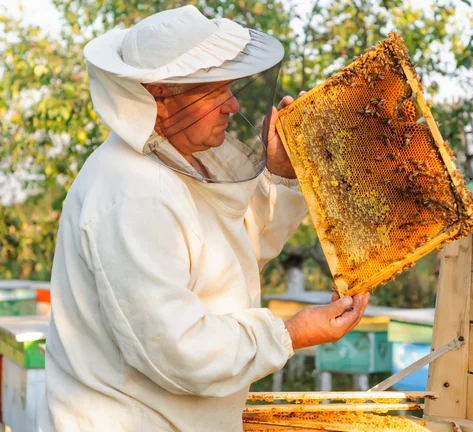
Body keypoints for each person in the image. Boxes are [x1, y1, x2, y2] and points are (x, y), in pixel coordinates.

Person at [45, 6, 369, 432]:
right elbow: (178, 350)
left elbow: (231, 252)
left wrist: (281, 174)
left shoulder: (189, 159)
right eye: (216, 93)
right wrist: (290, 333)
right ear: (159, 95)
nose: (233, 105)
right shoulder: (131, 192)